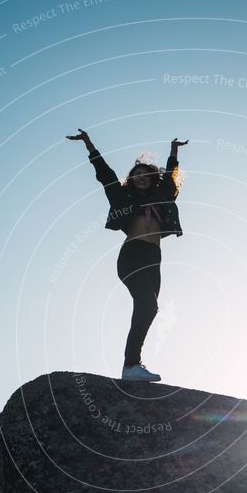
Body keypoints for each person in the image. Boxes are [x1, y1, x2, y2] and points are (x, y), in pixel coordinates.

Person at [66, 129, 188, 381]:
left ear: (152, 178)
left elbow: (169, 179)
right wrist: (89, 145)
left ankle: (132, 365)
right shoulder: (123, 197)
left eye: (145, 174)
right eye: (136, 174)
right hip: (132, 254)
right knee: (145, 304)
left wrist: (173, 151)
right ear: (131, 179)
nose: (141, 176)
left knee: (150, 308)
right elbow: (106, 174)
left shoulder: (162, 196)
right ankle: (131, 365)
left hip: (154, 257)